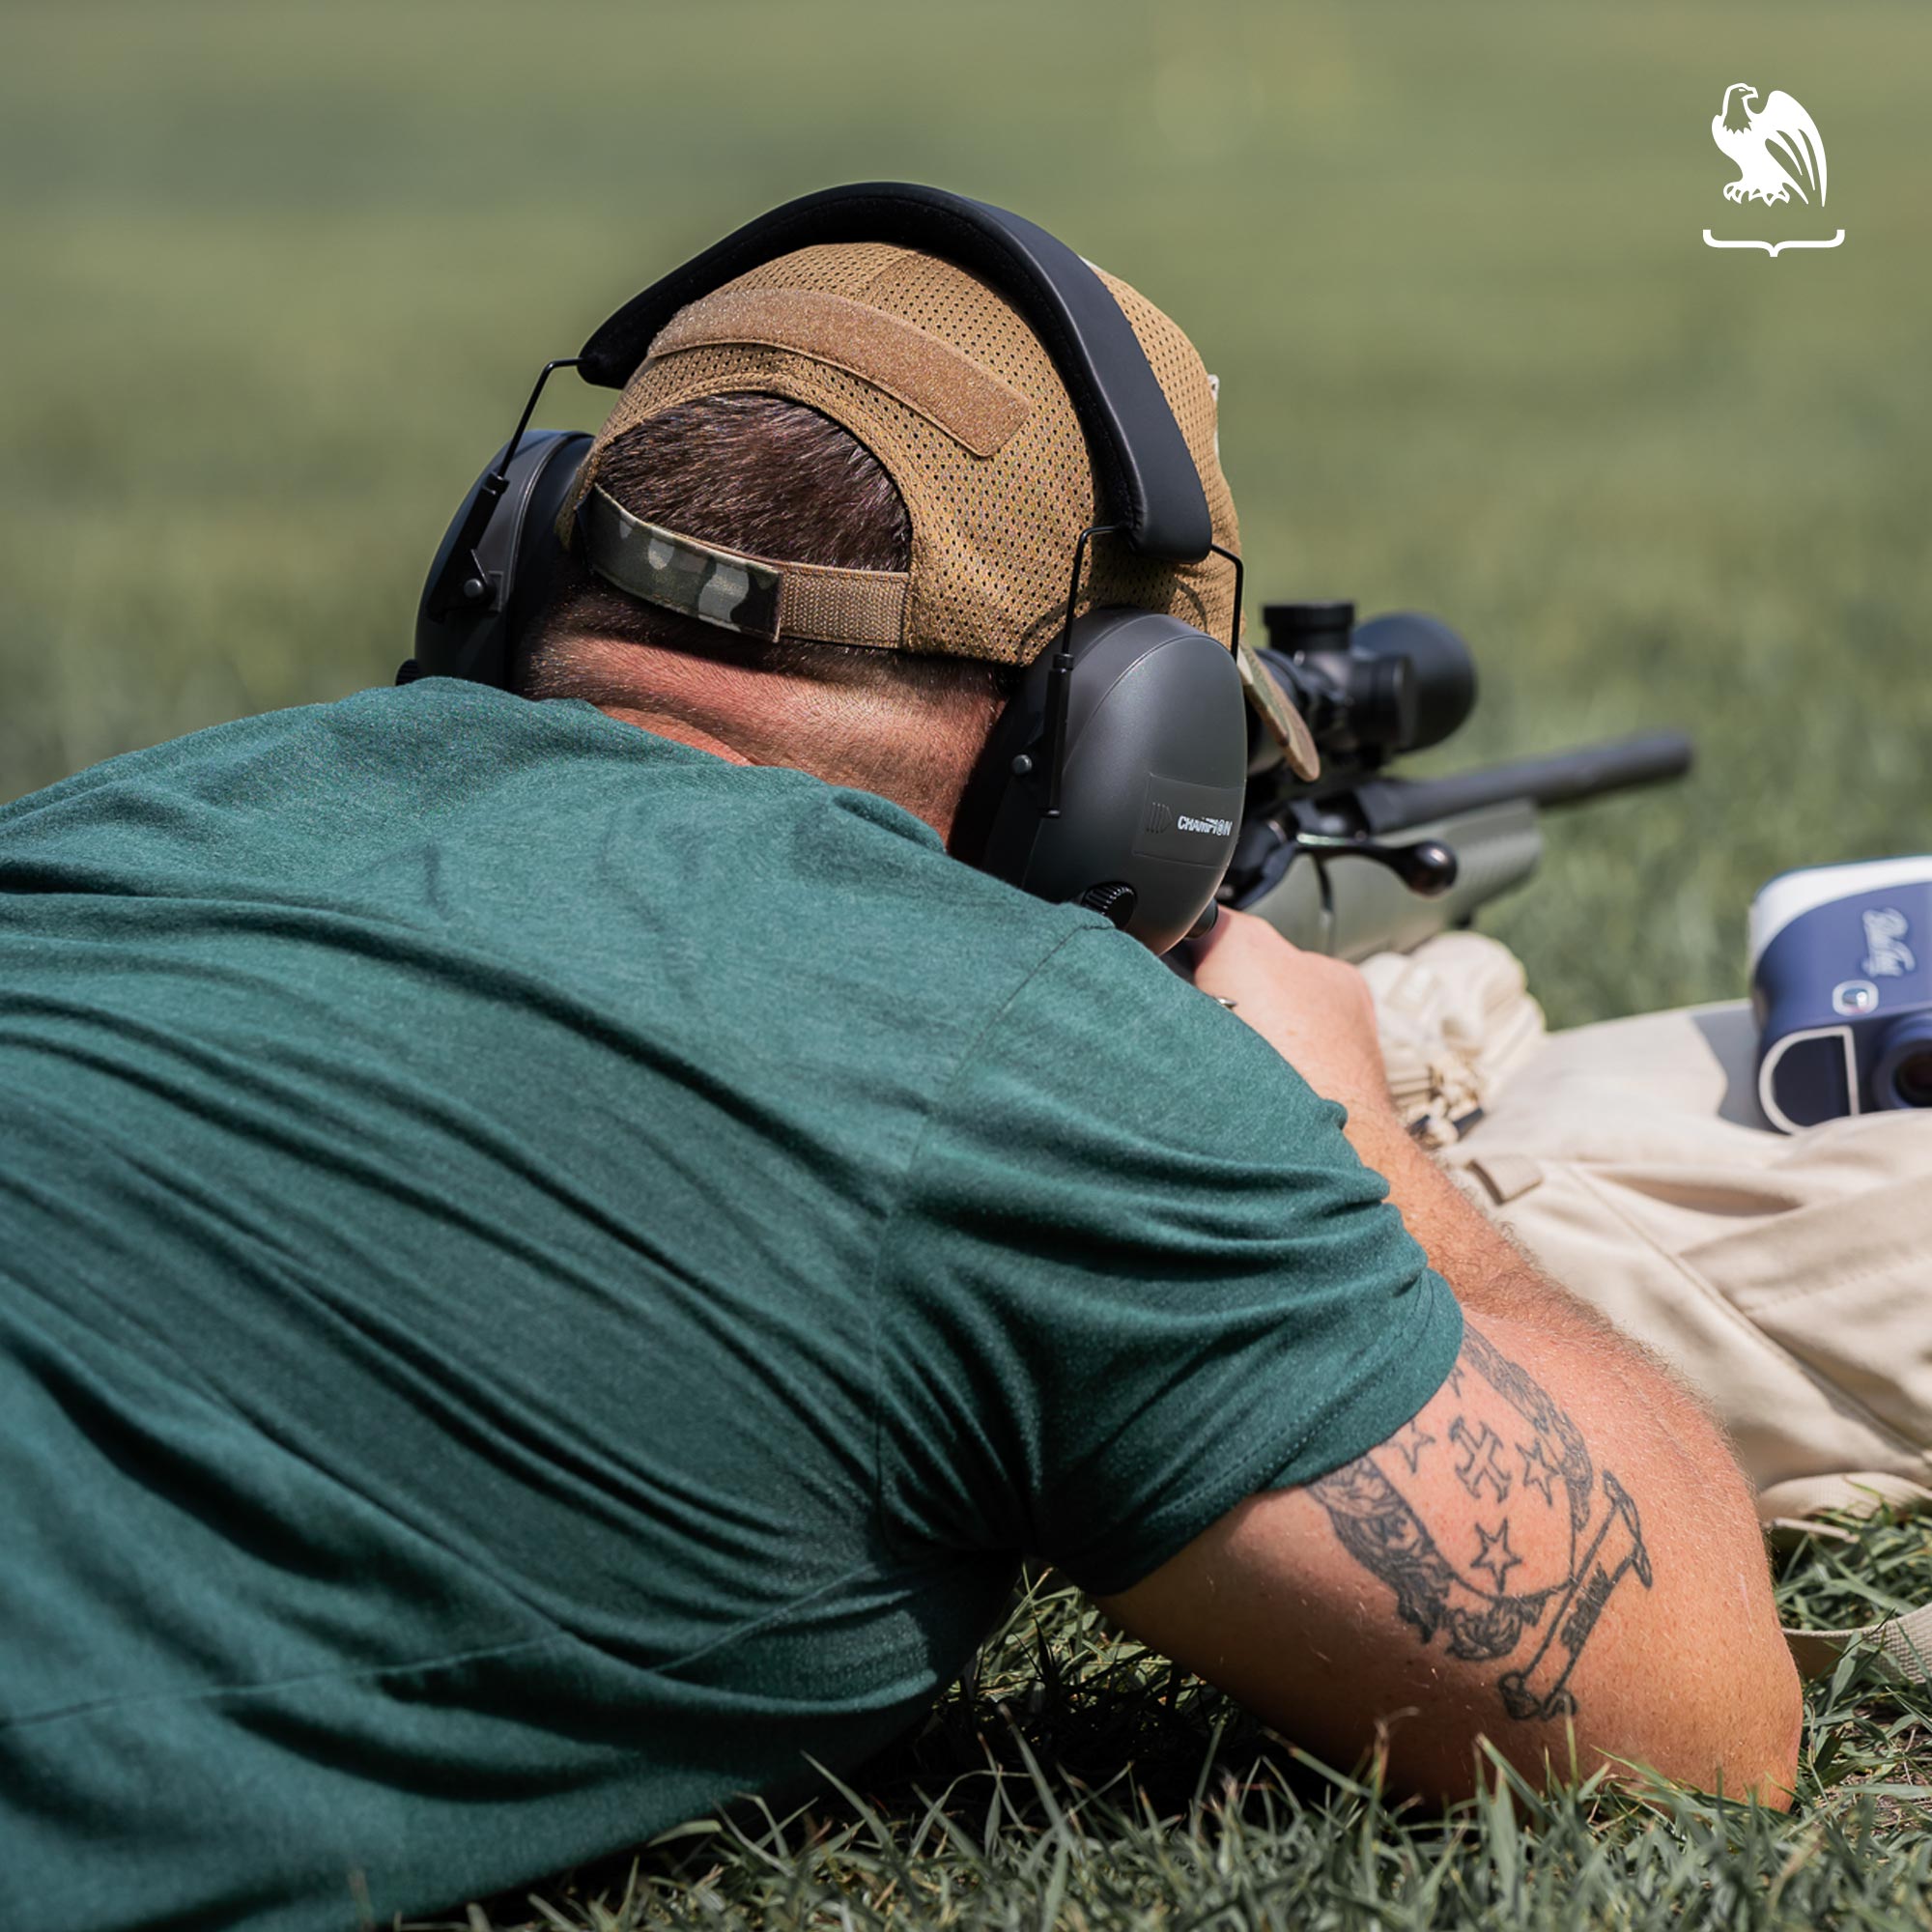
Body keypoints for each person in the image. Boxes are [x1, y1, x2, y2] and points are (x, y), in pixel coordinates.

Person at [0, 216, 1800, 1932]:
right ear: (1109, 744)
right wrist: (1354, 1129)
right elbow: (1705, 1728)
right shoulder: (1009, 1047)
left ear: (525, 557)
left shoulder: (142, 813)